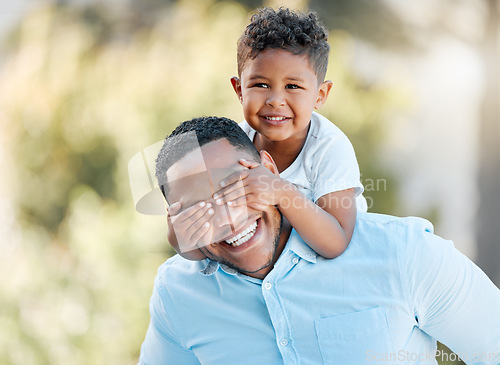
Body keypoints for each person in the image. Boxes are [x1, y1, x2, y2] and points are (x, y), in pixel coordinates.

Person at [139, 116, 500, 364]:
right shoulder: (178, 295)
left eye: (234, 187)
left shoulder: (403, 254)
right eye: (199, 210)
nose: (229, 219)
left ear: (269, 168)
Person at [167, 7, 367, 261]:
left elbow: (336, 243)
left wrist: (280, 191)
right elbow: (204, 249)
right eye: (260, 85)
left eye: (292, 86)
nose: (275, 100)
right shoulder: (232, 145)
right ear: (239, 89)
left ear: (320, 95)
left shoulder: (329, 148)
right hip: (269, 261)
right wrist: (178, 234)